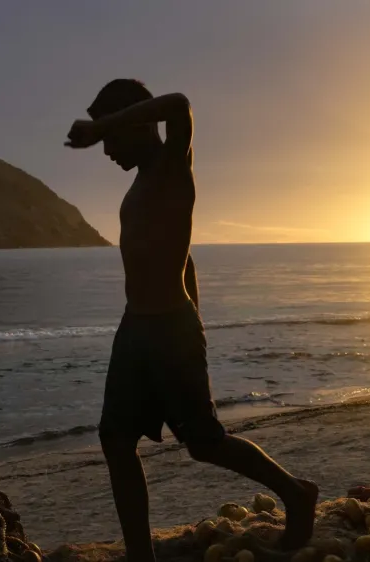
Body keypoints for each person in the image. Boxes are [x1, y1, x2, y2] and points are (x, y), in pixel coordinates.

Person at [64, 79, 318, 562]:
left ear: (137, 122)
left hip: (167, 331)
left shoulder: (172, 166)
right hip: (135, 329)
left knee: (204, 443)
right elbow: (185, 258)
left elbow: (179, 105)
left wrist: (100, 127)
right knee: (115, 440)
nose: (107, 150)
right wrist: (196, 316)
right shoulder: (141, 183)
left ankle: (295, 493)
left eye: (114, 138)